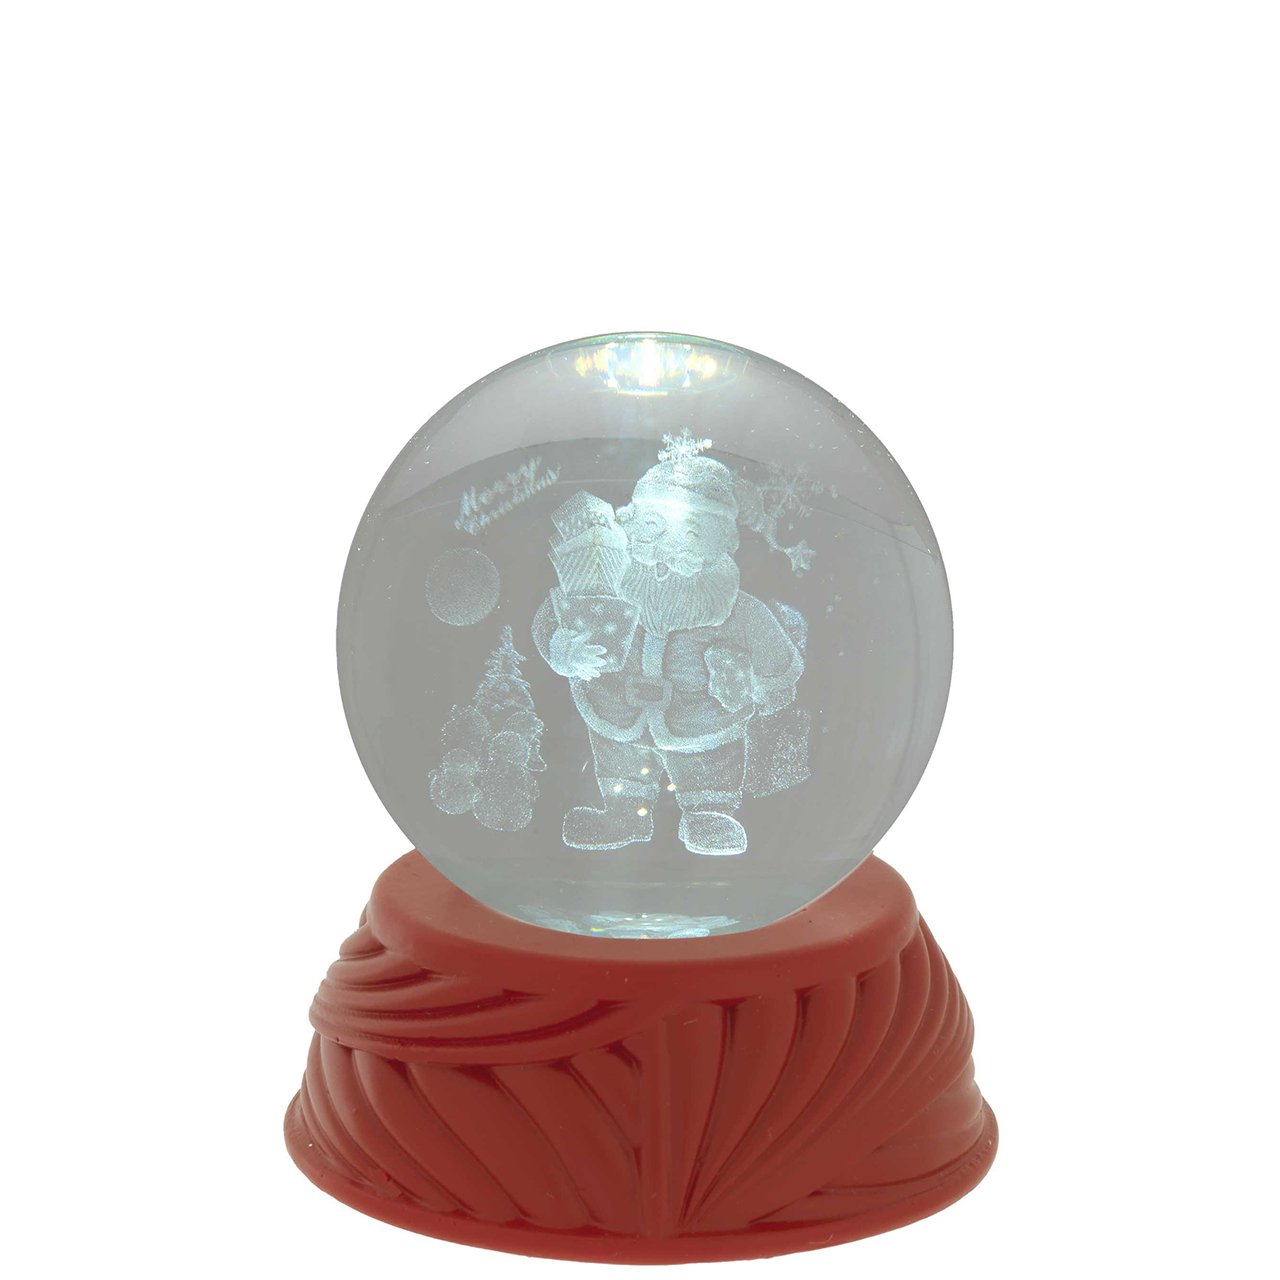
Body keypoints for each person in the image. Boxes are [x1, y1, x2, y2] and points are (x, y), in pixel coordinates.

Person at [532, 454, 803, 855]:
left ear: (716, 542)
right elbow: (552, 617)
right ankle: (623, 813)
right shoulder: (603, 585)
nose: (664, 551)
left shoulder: (734, 609)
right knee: (619, 759)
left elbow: (766, 641)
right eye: (651, 528)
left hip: (702, 719)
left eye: (689, 533)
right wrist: (562, 649)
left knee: (709, 762)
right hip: (616, 708)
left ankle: (708, 813)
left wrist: (773, 683)